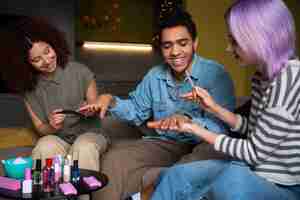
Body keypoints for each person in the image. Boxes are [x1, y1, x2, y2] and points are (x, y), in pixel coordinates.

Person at [148, 0, 300, 199]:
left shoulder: (290, 78)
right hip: (255, 173)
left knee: (232, 177)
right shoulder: (260, 77)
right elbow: (254, 132)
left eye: (235, 41)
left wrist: (194, 128)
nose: (229, 48)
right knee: (177, 175)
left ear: (260, 38)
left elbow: (254, 152)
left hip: (284, 187)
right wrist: (214, 108)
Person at [80, 9, 236, 200]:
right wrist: (111, 100)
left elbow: (221, 129)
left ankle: (158, 187)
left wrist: (189, 122)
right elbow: (136, 111)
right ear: (161, 48)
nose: (175, 52)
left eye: (183, 43)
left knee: (195, 164)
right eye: (167, 46)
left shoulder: (217, 75)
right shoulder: (155, 75)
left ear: (195, 43)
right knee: (114, 160)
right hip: (166, 143)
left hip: (204, 144)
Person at [0, 16, 109, 171]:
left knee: (83, 147)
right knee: (45, 146)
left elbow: (96, 106)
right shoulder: (29, 90)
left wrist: (91, 109)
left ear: (54, 44)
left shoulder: (81, 71)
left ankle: (81, 195)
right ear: (25, 64)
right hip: (59, 138)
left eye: (47, 51)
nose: (47, 60)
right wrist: (51, 126)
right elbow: (40, 128)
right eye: (37, 59)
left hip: (90, 134)